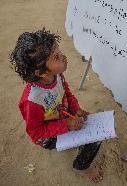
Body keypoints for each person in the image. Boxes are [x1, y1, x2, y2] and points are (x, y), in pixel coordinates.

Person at [9, 28, 103, 182]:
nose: (64, 57)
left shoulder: (57, 75)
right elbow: (36, 132)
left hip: (64, 118)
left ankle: (74, 139)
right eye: (57, 57)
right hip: (48, 137)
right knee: (94, 139)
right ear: (41, 73)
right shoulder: (32, 101)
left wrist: (76, 109)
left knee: (90, 128)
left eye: (60, 52)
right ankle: (82, 166)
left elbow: (67, 94)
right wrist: (67, 125)